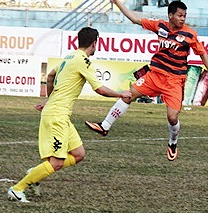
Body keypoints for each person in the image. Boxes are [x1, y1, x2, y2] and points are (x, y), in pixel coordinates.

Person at [7, 27, 132, 202]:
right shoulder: (83, 61)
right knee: (57, 162)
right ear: (95, 43)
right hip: (57, 115)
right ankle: (17, 189)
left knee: (79, 153)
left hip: (60, 114)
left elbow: (50, 76)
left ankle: (37, 172)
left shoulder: (69, 57)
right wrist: (121, 94)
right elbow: (100, 89)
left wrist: (49, 99)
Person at [85, 0, 208, 161]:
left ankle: (173, 142)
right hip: (154, 76)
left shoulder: (190, 34)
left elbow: (202, 54)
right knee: (127, 95)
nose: (183, 19)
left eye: (184, 16)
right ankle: (105, 126)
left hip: (174, 81)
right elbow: (135, 19)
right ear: (171, 15)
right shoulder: (160, 26)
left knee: (172, 117)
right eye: (180, 15)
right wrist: (117, 2)